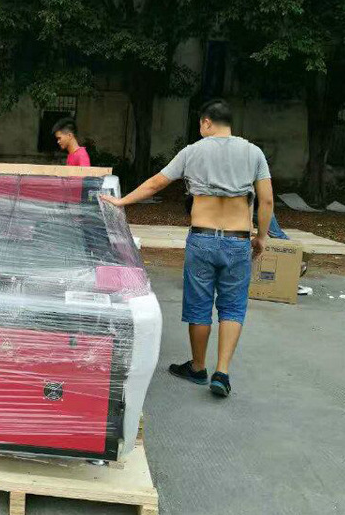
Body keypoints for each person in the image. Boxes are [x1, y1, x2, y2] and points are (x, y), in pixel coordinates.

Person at [102, 99, 273, 398]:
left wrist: (122, 200)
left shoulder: (192, 151)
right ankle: (222, 372)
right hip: (238, 240)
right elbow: (267, 200)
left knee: (199, 304)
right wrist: (262, 237)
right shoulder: (254, 152)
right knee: (233, 307)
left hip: (202, 239)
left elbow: (156, 183)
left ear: (207, 122)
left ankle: (198, 367)